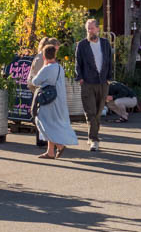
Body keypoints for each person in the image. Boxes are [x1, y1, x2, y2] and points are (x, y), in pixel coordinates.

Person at [31, 42, 77, 158]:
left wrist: (42, 68)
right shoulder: (59, 67)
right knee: (52, 124)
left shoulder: (46, 69)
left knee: (41, 122)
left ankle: (59, 146)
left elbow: (35, 82)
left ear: (44, 56)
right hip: (58, 100)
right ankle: (50, 151)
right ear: (55, 55)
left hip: (48, 101)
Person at [74, 18, 113, 152]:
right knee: (90, 112)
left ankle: (93, 136)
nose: (89, 31)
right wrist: (80, 79)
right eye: (88, 29)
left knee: (98, 112)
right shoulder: (82, 45)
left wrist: (109, 78)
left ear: (98, 29)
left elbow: (110, 61)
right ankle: (94, 140)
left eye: (91, 28)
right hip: (88, 83)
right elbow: (77, 63)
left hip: (102, 82)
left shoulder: (105, 43)